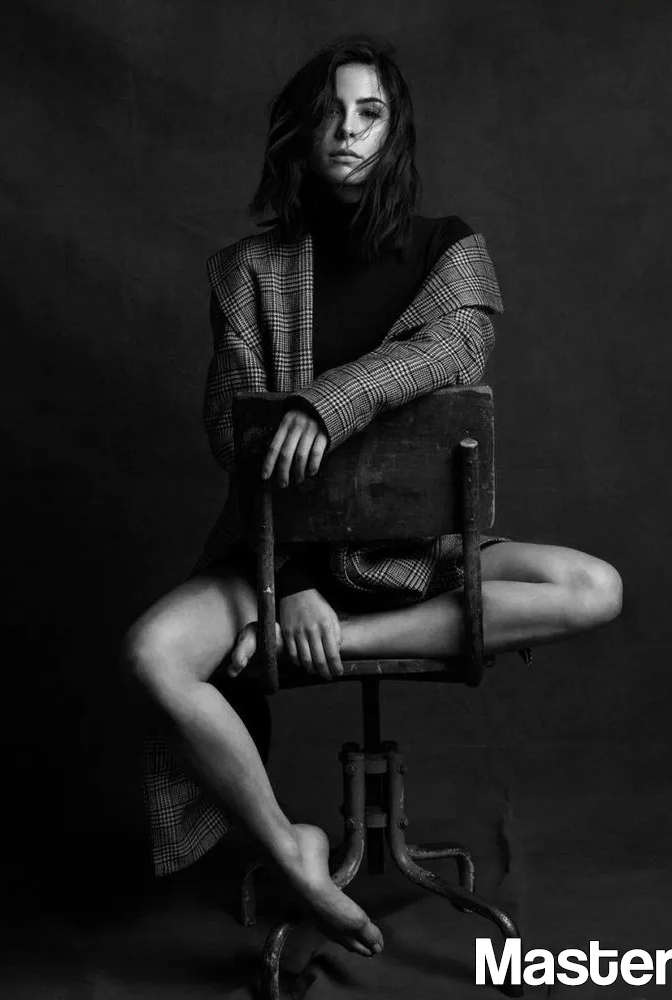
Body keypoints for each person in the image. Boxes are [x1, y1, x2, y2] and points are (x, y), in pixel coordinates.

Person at [124, 36, 622, 959]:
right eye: (329, 113)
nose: (348, 131)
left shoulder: (446, 250)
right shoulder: (245, 271)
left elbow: (452, 351)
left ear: (395, 131)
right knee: (152, 654)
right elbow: (233, 431)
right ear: (299, 133)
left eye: (370, 112)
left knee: (594, 588)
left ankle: (344, 643)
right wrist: (291, 584)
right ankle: (293, 848)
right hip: (276, 558)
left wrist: (327, 398)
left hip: (415, 558)